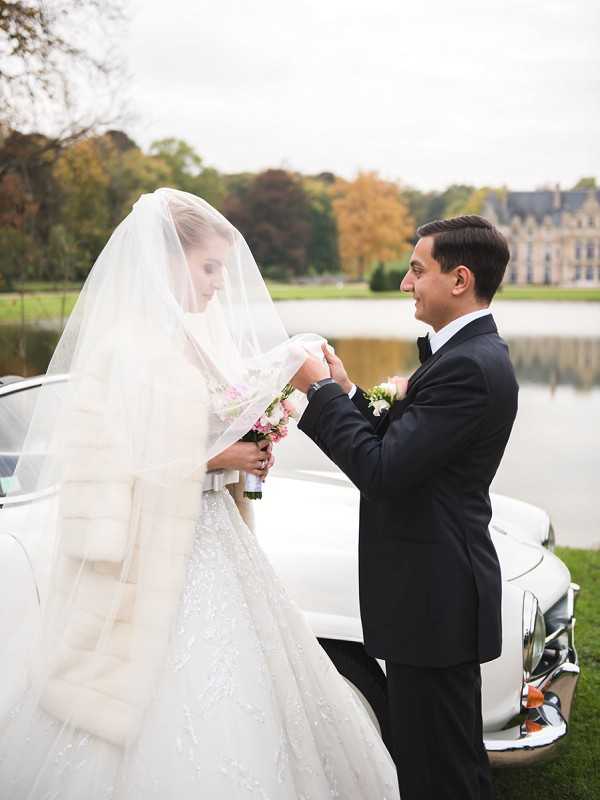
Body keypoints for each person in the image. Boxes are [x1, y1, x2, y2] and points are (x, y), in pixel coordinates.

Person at [0, 188, 400, 799]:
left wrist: (258, 424)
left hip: (212, 537)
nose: (218, 283)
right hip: (157, 556)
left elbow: (210, 413)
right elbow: (113, 460)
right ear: (166, 262)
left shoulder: (190, 340)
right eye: (208, 266)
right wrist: (221, 455)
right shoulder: (121, 346)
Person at [291, 215, 519, 800]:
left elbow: (383, 472)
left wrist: (316, 393)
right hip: (430, 596)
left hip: (435, 598)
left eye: (417, 269)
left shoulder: (468, 365)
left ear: (460, 279)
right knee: (445, 761)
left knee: (438, 773)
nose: (404, 283)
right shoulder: (463, 355)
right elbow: (407, 444)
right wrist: (346, 394)